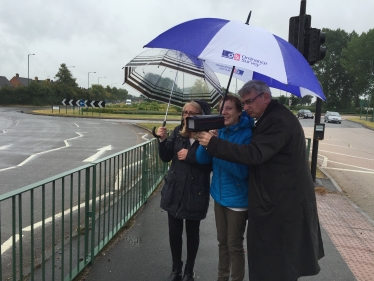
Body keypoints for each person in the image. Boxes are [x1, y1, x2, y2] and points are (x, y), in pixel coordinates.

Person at [197, 80, 325, 281]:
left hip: (283, 206)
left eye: (248, 102)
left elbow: (254, 154)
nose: (246, 108)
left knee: (279, 265)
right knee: (275, 263)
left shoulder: (277, 121)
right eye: (244, 103)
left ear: (265, 97)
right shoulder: (270, 118)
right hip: (278, 202)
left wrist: (215, 145)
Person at [195, 95, 254, 281]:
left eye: (229, 108)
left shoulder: (247, 134)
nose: (224, 112)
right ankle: (222, 278)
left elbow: (242, 171)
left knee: (234, 245)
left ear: (239, 111)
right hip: (219, 196)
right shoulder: (219, 130)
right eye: (221, 108)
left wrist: (217, 148)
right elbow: (201, 159)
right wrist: (208, 141)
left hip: (237, 199)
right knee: (222, 243)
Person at [156, 100, 212, 281]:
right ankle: (176, 269)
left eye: (191, 113)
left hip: (196, 191)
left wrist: (190, 157)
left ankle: (189, 271)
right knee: (174, 233)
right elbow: (165, 157)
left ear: (200, 115)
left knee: (192, 233)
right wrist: (162, 139)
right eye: (184, 113)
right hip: (175, 189)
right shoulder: (177, 133)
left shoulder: (207, 136)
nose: (187, 116)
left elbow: (211, 165)